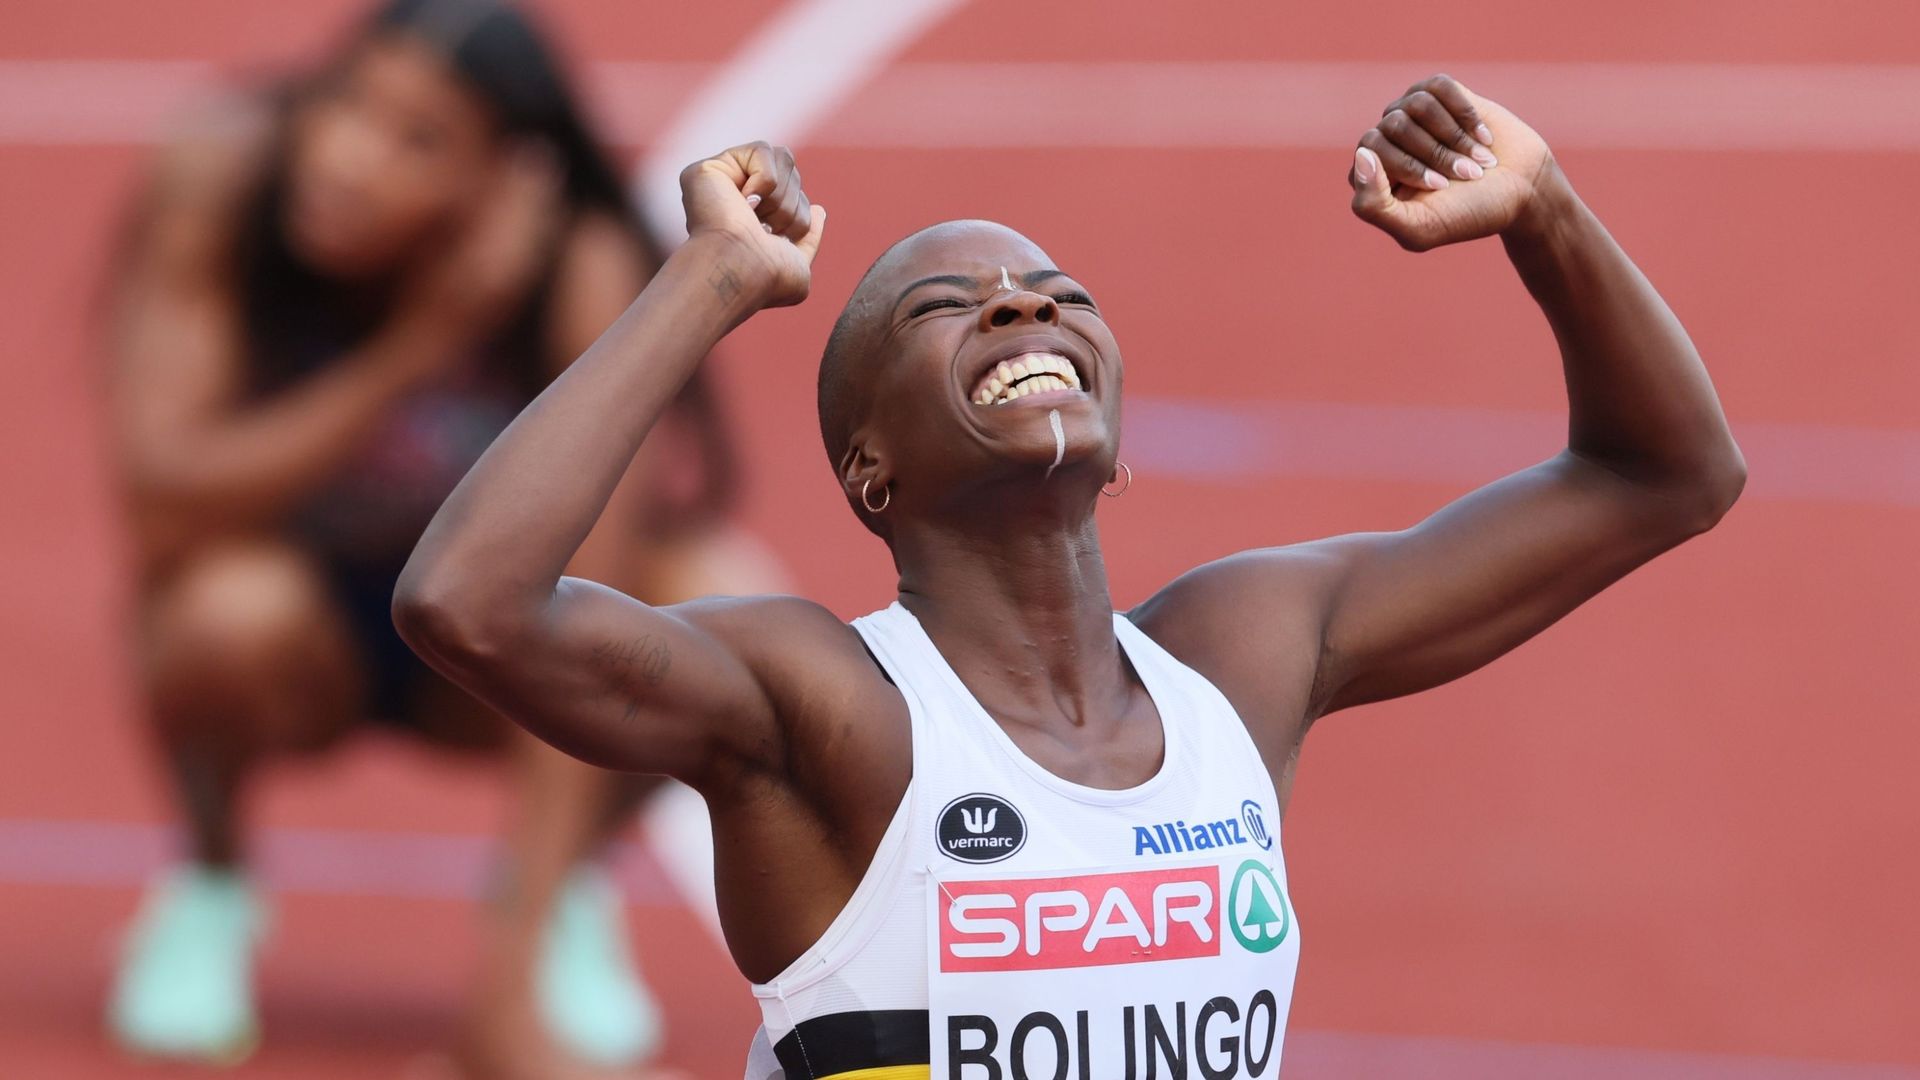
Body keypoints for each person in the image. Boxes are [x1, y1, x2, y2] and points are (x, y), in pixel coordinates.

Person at [394, 74, 1746, 1079]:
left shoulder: (1242, 656)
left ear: (1117, 445)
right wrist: (709, 278)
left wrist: (1548, 215)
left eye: (1056, 294)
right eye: (945, 308)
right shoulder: (831, 707)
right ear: (869, 476)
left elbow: (1665, 476)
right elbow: (470, 603)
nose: (1021, 306)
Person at [104, 0, 777, 1074]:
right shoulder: (226, 181)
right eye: (348, 105)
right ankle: (212, 884)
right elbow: (163, 505)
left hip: (480, 649)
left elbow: (584, 597)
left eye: (417, 140)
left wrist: (505, 980)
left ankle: (557, 904)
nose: (349, 160)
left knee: (716, 614)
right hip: (298, 620)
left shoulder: (576, 264)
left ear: (506, 174)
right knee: (216, 613)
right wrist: (419, 347)